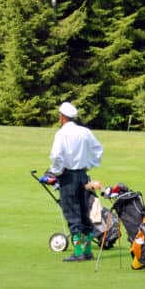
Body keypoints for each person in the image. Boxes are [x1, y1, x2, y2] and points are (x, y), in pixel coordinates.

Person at [46, 101, 104, 262]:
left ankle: (78, 252)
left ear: (62, 117)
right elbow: (98, 150)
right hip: (83, 176)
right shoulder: (85, 132)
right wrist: (90, 165)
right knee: (85, 212)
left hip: (68, 176)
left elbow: (56, 156)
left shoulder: (61, 134)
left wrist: (57, 171)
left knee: (72, 213)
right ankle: (87, 250)